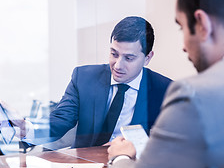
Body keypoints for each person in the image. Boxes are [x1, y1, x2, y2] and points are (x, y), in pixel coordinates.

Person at [104, 0, 224, 168]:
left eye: (181, 27)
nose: (182, 45)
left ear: (201, 24)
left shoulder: (194, 96)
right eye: (114, 54)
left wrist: (120, 158)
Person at [48, 16, 171, 148]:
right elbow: (60, 120)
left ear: (147, 58)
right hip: (84, 164)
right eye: (114, 54)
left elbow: (171, 140)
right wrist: (27, 129)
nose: (118, 65)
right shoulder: (83, 78)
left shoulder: (165, 90)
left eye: (129, 58)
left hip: (130, 164)